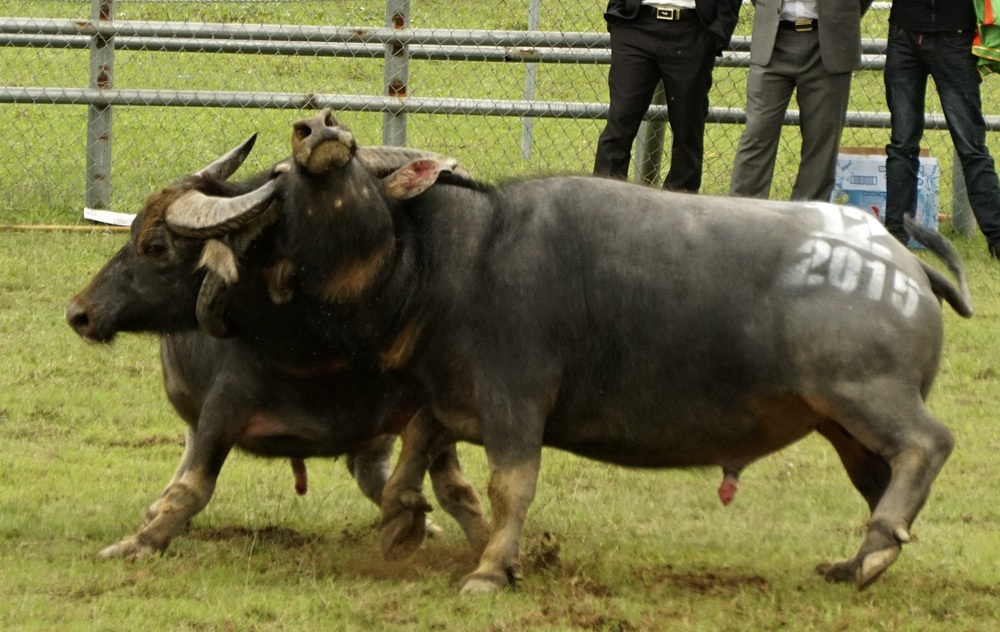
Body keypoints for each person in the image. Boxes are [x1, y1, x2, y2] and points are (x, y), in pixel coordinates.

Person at [884, 0, 1000, 258]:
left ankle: (997, 237)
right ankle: (895, 238)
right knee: (902, 144)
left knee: (971, 147)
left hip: (955, 34)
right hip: (904, 32)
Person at [729, 0, 872, 201]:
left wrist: (838, 14)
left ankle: (807, 219)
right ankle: (743, 217)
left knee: (821, 138)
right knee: (757, 130)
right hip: (774, 39)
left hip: (828, 42)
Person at [594, 0, 742, 193]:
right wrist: (617, 12)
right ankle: (603, 202)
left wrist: (720, 29)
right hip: (635, 26)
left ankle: (680, 210)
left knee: (687, 130)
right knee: (620, 122)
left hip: (693, 30)